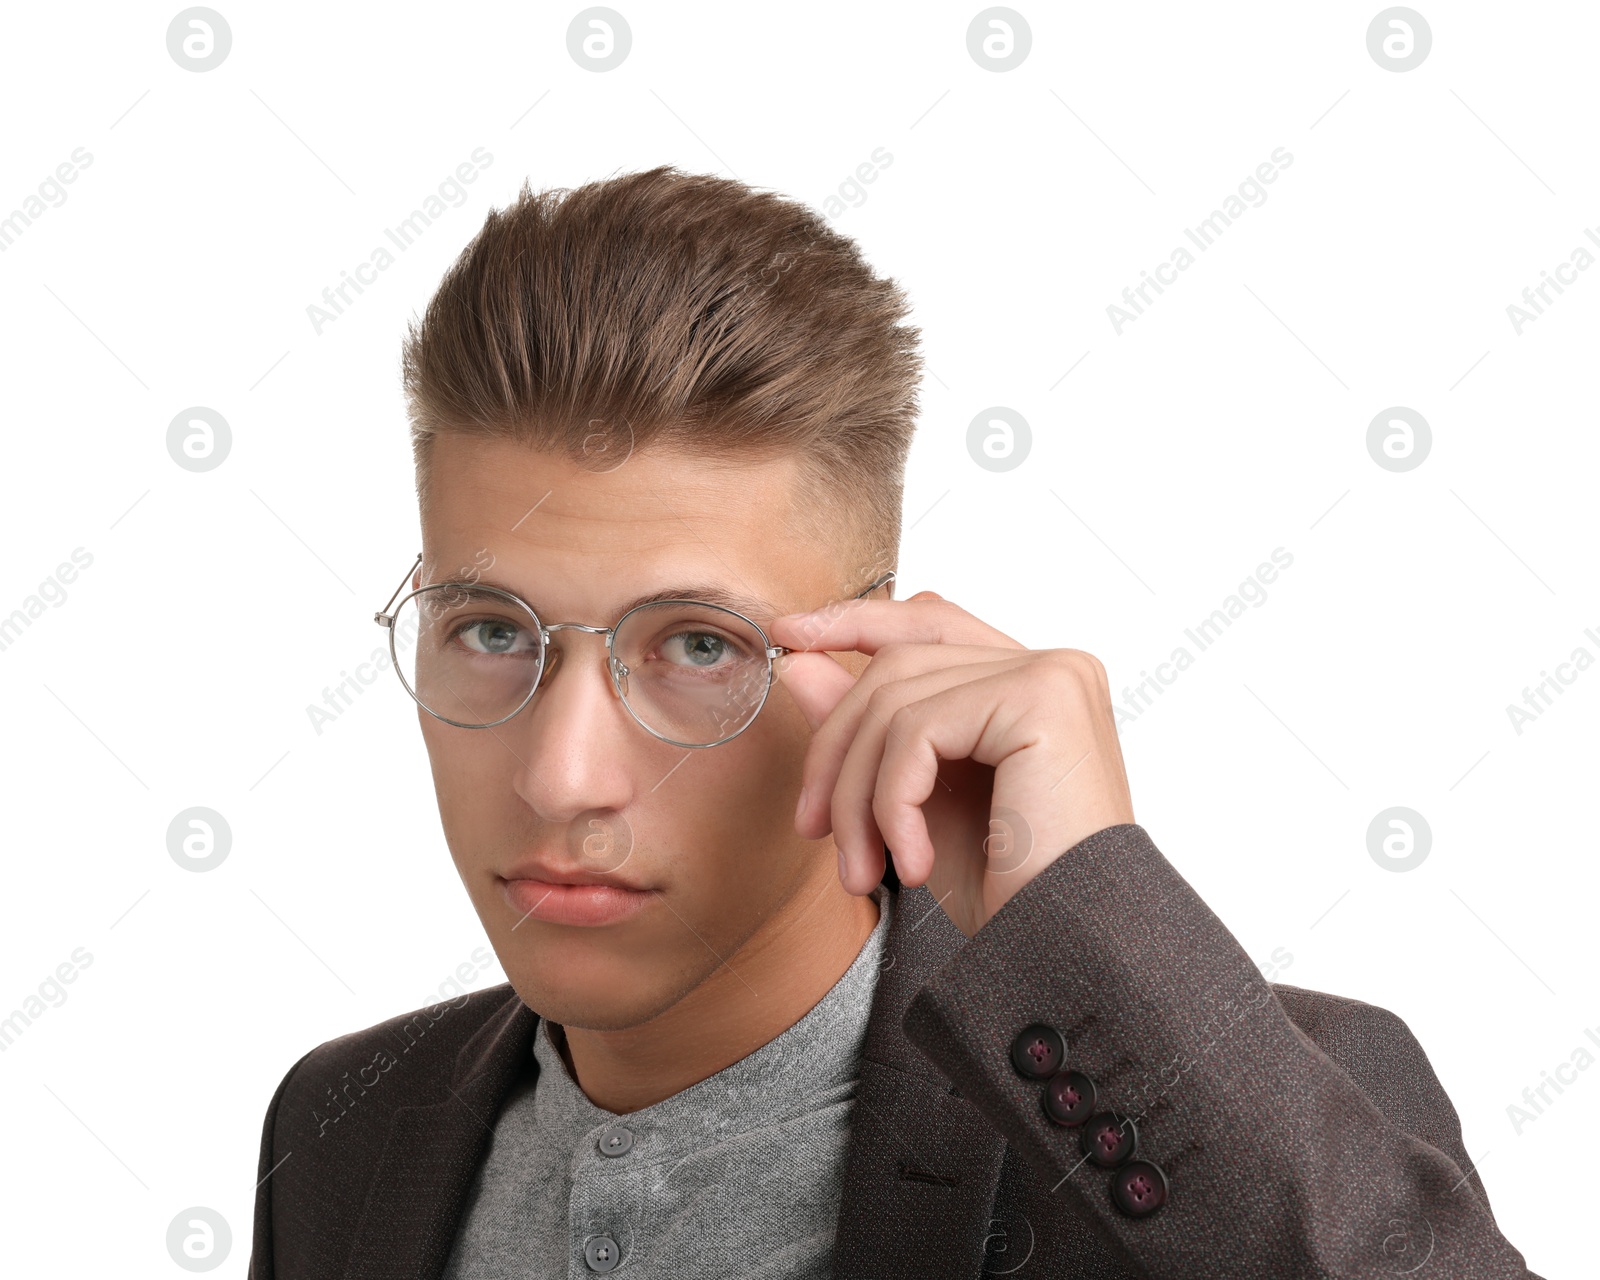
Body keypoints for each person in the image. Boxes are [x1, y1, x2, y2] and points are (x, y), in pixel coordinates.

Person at [246, 165, 1541, 1278]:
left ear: (873, 661)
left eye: (699, 645)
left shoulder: (1203, 1112)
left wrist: (1095, 933)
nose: (563, 776)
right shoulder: (347, 1130)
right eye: (490, 632)